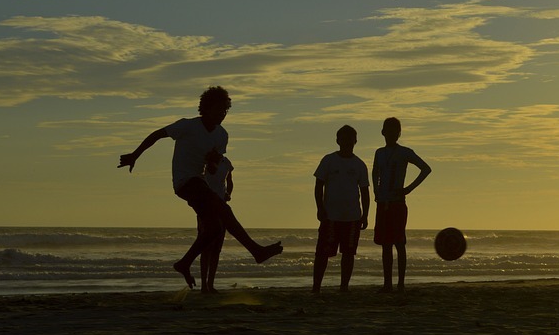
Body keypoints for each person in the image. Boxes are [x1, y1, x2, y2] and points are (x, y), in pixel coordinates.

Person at [118, 86, 282, 289]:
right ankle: (256, 251)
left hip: (200, 182)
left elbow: (212, 169)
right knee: (223, 210)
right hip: (184, 182)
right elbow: (157, 135)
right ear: (205, 108)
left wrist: (213, 162)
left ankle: (184, 263)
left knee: (214, 228)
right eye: (218, 109)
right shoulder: (187, 126)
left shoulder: (222, 135)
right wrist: (135, 155)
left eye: (225, 111)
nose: (222, 115)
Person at [372, 117, 431, 293]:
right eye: (387, 130)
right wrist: (376, 190)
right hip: (383, 202)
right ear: (383, 132)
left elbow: (425, 168)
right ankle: (387, 283)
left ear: (399, 133)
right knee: (385, 244)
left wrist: (408, 189)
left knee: (399, 242)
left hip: (398, 203)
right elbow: (375, 172)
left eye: (394, 131)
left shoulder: (405, 152)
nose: (390, 134)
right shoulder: (379, 153)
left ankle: (401, 283)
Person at [312, 125, 370, 293]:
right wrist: (319, 208)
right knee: (322, 253)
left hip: (352, 217)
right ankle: (316, 287)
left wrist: (365, 215)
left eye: (350, 139)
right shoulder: (329, 160)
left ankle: (344, 287)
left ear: (355, 141)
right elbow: (318, 185)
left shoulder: (359, 165)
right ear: (337, 140)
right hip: (330, 216)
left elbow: (365, 191)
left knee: (349, 253)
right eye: (343, 139)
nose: (347, 142)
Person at [199, 152, 233, 293]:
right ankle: (203, 285)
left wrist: (228, 194)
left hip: (221, 204)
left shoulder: (226, 162)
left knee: (217, 248)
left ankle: (211, 283)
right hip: (205, 205)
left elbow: (229, 182)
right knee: (205, 246)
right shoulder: (204, 161)